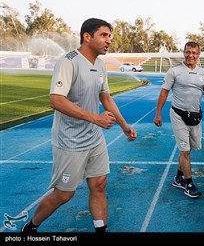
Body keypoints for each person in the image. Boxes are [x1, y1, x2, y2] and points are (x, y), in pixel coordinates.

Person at [21, 18, 137, 233]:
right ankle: (31, 226)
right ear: (87, 37)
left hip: (94, 137)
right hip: (70, 140)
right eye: (104, 35)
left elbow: (105, 97)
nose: (109, 40)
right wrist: (95, 118)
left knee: (99, 185)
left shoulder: (100, 64)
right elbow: (56, 100)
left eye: (109, 36)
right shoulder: (68, 61)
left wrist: (123, 125)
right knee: (64, 194)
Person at [153, 41, 204, 199]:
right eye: (188, 52)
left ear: (198, 55)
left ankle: (178, 178)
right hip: (178, 115)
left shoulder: (203, 73)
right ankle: (188, 184)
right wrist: (158, 113)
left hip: (195, 116)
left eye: (194, 53)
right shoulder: (174, 71)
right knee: (185, 151)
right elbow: (164, 92)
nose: (190, 55)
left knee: (189, 149)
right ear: (183, 52)